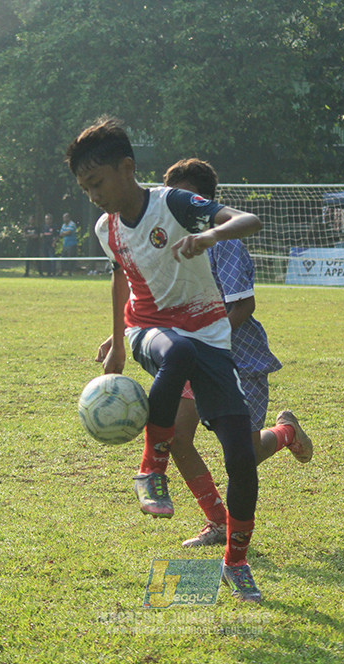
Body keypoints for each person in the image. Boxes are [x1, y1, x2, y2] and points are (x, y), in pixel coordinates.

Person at [67, 116, 265, 603]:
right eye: (84, 187)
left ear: (127, 168)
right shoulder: (104, 227)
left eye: (96, 182)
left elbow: (248, 221)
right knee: (175, 351)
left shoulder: (173, 203)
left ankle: (235, 564)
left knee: (242, 461)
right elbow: (120, 279)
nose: (92, 195)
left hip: (212, 338)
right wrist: (117, 342)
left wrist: (209, 237)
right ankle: (150, 469)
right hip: (149, 331)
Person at [162, 158, 313, 549]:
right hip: (194, 359)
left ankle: (285, 432)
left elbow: (243, 307)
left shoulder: (224, 241)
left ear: (200, 201)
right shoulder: (169, 244)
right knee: (176, 437)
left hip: (237, 360)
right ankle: (216, 521)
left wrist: (211, 340)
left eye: (180, 198)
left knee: (242, 456)